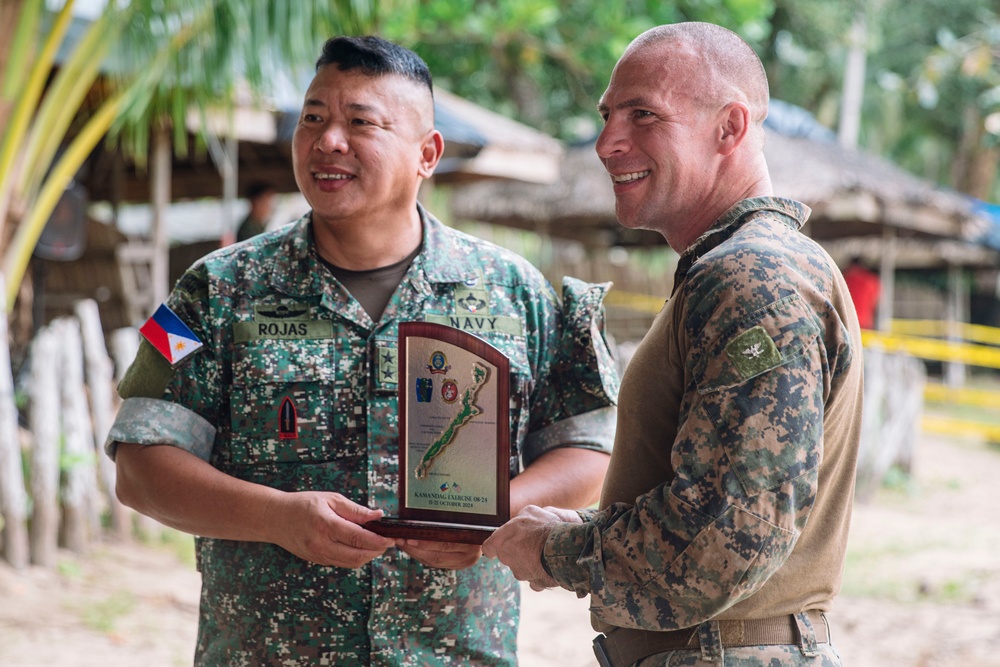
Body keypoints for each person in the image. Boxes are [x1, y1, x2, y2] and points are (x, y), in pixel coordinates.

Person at [105, 36, 619, 666]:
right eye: (313, 118)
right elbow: (140, 464)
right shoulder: (210, 291)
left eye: (360, 123)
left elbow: (588, 448)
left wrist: (487, 518)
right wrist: (277, 518)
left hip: (453, 653)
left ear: (427, 153)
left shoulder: (518, 293)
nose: (328, 142)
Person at [483, 22, 864, 667]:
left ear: (730, 128)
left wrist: (558, 552)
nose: (607, 142)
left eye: (644, 115)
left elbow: (726, 536)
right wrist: (574, 529)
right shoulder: (737, 270)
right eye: (607, 115)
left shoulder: (750, 278)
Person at [842, 256, 881, 329]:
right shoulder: (872, 280)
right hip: (865, 323)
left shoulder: (843, 278)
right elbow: (876, 303)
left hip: (847, 322)